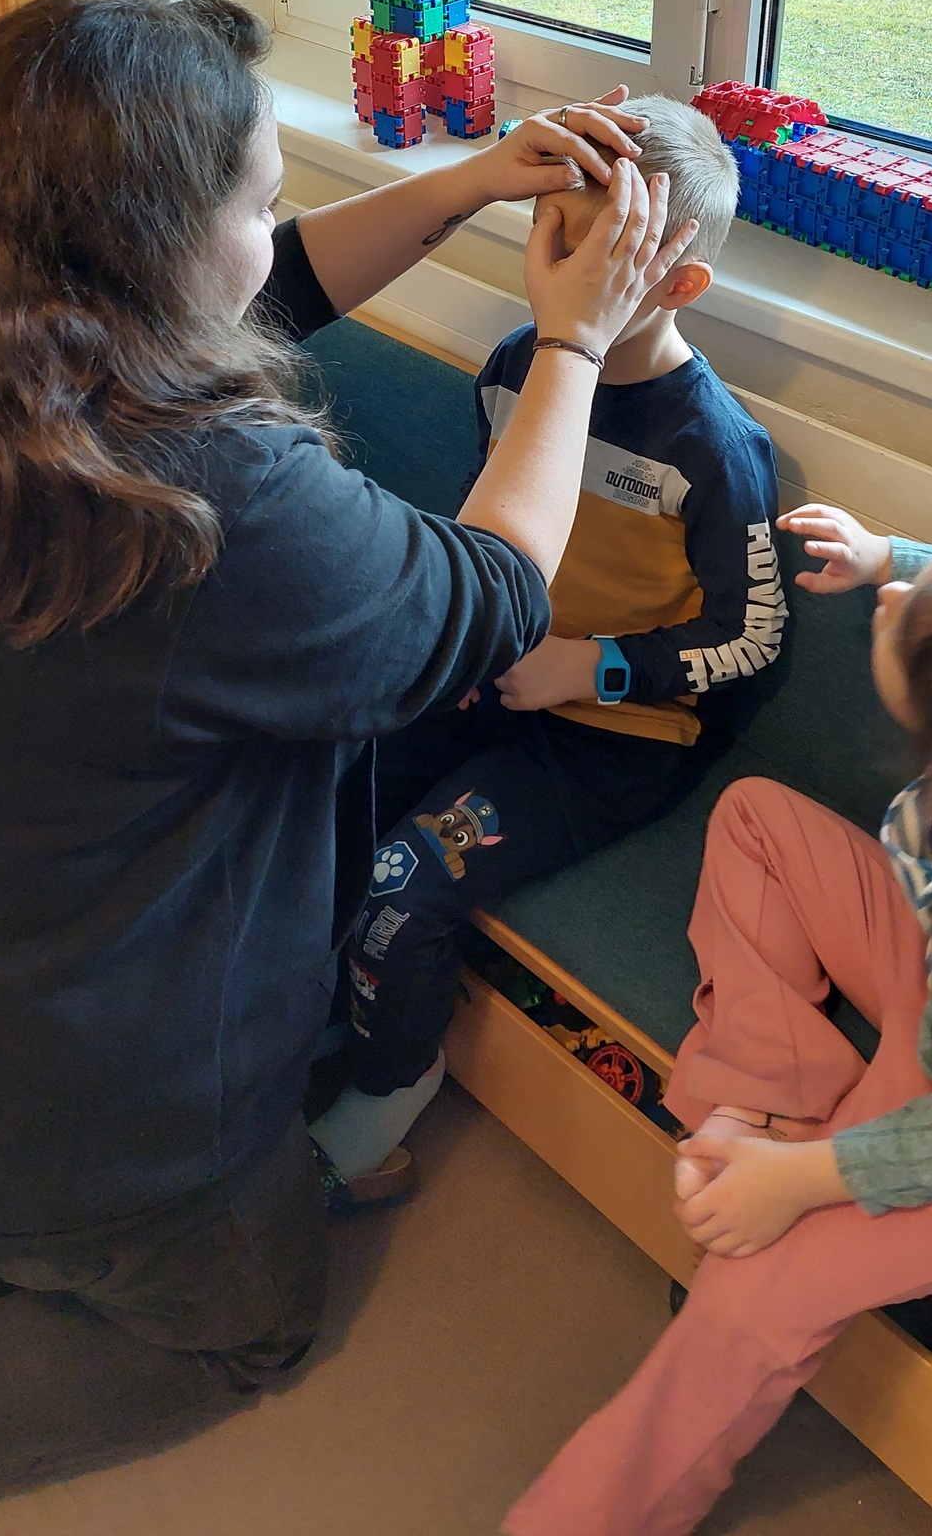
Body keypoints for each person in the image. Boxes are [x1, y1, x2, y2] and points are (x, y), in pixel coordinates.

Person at [0, 0, 699, 1519]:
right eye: (261, 198)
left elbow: (258, 302)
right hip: (120, 1105)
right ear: (150, 242)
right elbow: (489, 601)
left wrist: (460, 183)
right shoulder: (192, 509)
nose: (278, 227)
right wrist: (573, 345)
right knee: (240, 1324)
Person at [503, 509, 932, 1536]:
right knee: (754, 814)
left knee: (753, 1291)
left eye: (911, 623)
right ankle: (767, 1106)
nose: (892, 606)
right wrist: (896, 560)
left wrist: (803, 1187)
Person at [311, 95, 787, 1187]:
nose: (557, 275)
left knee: (399, 884)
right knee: (324, 789)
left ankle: (394, 1083)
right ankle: (340, 1004)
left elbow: (749, 636)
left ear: (677, 282)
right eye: (551, 239)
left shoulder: (712, 447)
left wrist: (595, 665)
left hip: (613, 740)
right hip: (495, 680)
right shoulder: (519, 364)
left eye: (596, 253)